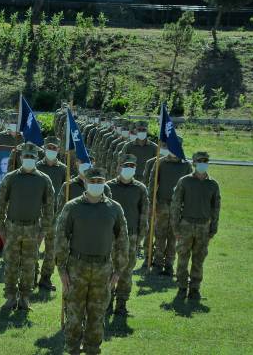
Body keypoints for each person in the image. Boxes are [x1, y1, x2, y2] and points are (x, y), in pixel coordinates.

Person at [54, 167, 129, 355]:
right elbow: (61, 237)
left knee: (97, 316)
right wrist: (62, 269)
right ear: (85, 183)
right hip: (76, 268)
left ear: (104, 182)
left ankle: (92, 350)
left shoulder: (114, 208)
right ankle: (72, 349)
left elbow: (122, 239)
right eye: (93, 181)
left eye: (100, 181)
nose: (96, 185)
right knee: (74, 315)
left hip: (103, 269)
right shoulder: (72, 207)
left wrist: (118, 270)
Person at [0, 143, 54, 311]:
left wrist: (43, 231)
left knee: (29, 266)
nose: (29, 159)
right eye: (26, 156)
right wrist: (1, 227)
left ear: (37, 159)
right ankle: (10, 297)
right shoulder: (11, 178)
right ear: (21, 158)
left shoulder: (44, 179)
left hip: (33, 229)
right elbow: (1, 203)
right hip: (13, 227)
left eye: (32, 157)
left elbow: (49, 208)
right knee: (11, 265)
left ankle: (25, 299)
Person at [171, 152, 221, 300]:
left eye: (205, 161)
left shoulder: (213, 184)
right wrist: (176, 227)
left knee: (199, 259)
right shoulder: (184, 181)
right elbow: (175, 205)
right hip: (186, 225)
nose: (203, 164)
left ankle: (195, 288)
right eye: (200, 161)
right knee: (182, 258)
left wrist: (213, 229)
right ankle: (181, 287)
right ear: (194, 163)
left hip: (204, 227)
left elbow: (216, 208)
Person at [106, 154, 149, 315]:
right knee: (108, 269)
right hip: (110, 236)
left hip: (131, 236)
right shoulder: (108, 187)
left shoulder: (140, 189)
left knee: (126, 271)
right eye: (126, 166)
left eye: (132, 166)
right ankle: (107, 302)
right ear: (118, 167)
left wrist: (140, 238)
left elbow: (144, 215)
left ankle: (122, 303)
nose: (128, 169)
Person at [147, 137, 192, 275]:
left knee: (173, 237)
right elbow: (152, 184)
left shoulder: (186, 165)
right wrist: (151, 202)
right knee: (160, 234)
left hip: (178, 207)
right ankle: (158, 262)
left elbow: (189, 188)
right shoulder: (160, 162)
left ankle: (169, 264)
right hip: (161, 205)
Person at [36, 136, 67, 291]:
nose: (51, 150)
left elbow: (65, 191)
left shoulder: (63, 170)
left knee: (51, 250)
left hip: (55, 215)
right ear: (44, 148)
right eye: (49, 147)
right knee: (33, 247)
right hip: (37, 214)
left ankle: (45, 278)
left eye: (54, 148)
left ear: (59, 150)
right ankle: (31, 275)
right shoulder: (36, 167)